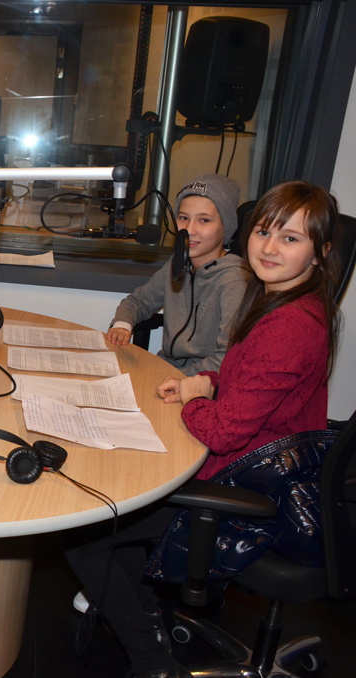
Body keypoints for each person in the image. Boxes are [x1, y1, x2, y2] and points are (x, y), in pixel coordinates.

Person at [66, 181, 341, 678]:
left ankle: (153, 662)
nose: (270, 247)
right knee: (117, 502)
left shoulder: (288, 327)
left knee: (88, 530)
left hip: (251, 490)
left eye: (291, 239)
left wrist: (190, 407)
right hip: (249, 463)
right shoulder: (283, 302)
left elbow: (226, 431)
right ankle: (144, 613)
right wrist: (203, 384)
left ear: (320, 255)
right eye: (264, 231)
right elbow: (241, 376)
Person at [107, 174, 250, 376]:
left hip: (202, 384)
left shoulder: (234, 281)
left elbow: (226, 360)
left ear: (226, 227)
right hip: (166, 370)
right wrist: (123, 324)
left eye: (204, 220)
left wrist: (178, 379)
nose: (190, 229)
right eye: (184, 218)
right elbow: (138, 301)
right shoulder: (177, 263)